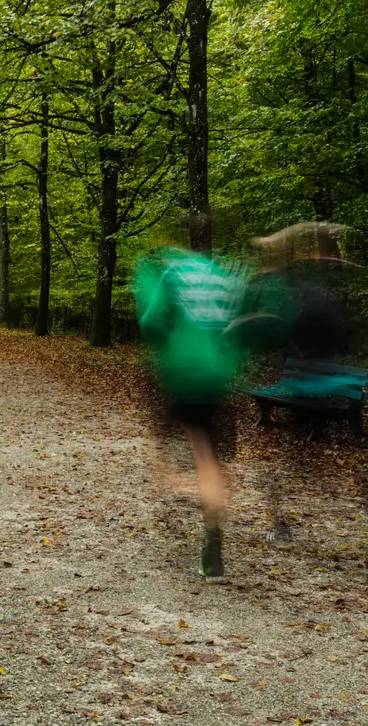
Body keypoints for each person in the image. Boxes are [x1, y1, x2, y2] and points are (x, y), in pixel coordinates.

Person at [133, 245, 248, 583]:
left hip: (185, 372)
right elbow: (238, 330)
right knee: (209, 456)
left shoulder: (174, 275)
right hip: (218, 375)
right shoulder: (221, 277)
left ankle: (206, 532)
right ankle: (209, 522)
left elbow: (150, 322)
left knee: (189, 452)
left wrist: (168, 339)